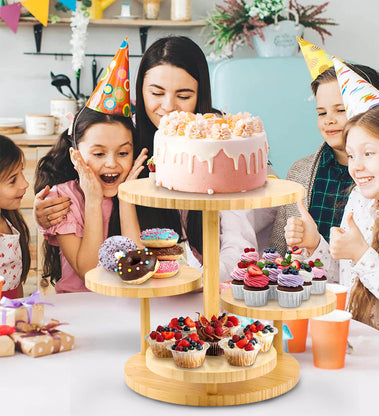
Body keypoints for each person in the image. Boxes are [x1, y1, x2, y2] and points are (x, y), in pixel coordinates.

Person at [34, 36, 261, 279]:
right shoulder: (124, 138)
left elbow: (238, 242)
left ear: (200, 95)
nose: (168, 106)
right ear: (140, 91)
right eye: (156, 92)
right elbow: (73, 182)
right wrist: (43, 213)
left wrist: (203, 282)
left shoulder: (221, 145)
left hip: (202, 281)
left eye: (183, 96)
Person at [286, 101, 379, 372]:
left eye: (368, 153)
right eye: (351, 155)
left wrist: (361, 255)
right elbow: (345, 280)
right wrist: (316, 245)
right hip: (359, 354)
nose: (356, 167)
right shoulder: (359, 201)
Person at [269, 64, 379, 255]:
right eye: (322, 113)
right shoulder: (300, 172)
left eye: (340, 110)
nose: (328, 120)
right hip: (306, 283)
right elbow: (277, 249)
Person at [34, 107, 147, 293]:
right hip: (78, 307)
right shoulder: (63, 198)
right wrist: (93, 202)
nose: (111, 163)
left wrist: (126, 199)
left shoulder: (142, 192)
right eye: (99, 154)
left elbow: (137, 268)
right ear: (75, 156)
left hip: (128, 303)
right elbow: (89, 272)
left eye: (123, 153)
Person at [0, 135, 30, 299]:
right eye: (13, 180)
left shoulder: (10, 221)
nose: (25, 184)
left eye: (21, 173)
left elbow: (16, 285)